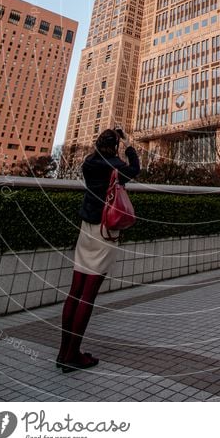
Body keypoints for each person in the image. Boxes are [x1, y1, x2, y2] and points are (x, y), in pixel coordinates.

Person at [56, 128, 140, 373]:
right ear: (115, 146)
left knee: (75, 291)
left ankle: (64, 352)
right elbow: (135, 168)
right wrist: (129, 145)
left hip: (86, 228)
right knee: (88, 295)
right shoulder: (115, 165)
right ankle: (73, 355)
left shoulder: (89, 162)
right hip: (105, 231)